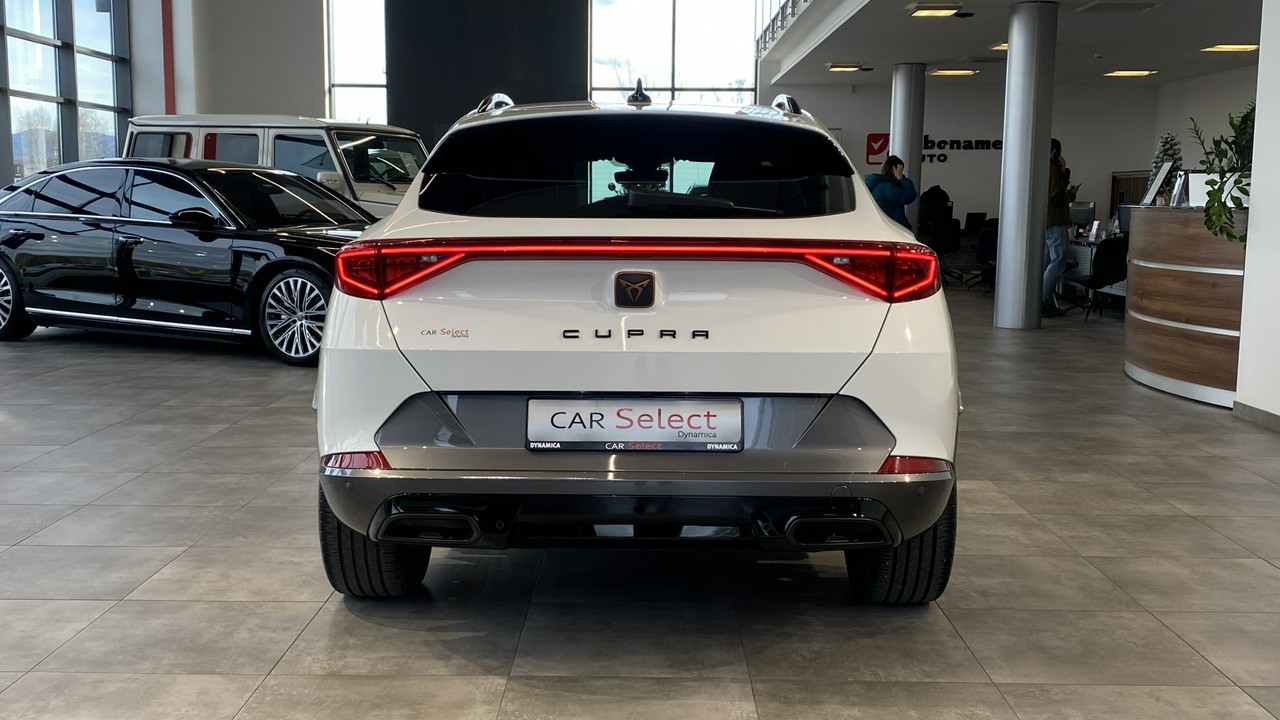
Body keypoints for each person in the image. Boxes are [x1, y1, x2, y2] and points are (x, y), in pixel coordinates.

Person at [1043, 138, 1080, 317]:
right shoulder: (1051, 169)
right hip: (1055, 221)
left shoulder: (1042, 168)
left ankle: (1039, 301)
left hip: (1045, 221)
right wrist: (1071, 195)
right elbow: (1055, 198)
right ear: (1055, 152)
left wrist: (1064, 171)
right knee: (1058, 262)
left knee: (1045, 263)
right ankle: (1045, 301)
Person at [865, 155, 918, 230]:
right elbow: (908, 196)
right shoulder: (888, 187)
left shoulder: (881, 184)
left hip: (884, 226)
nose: (902, 173)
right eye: (900, 170)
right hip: (892, 227)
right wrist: (901, 178)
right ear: (894, 169)